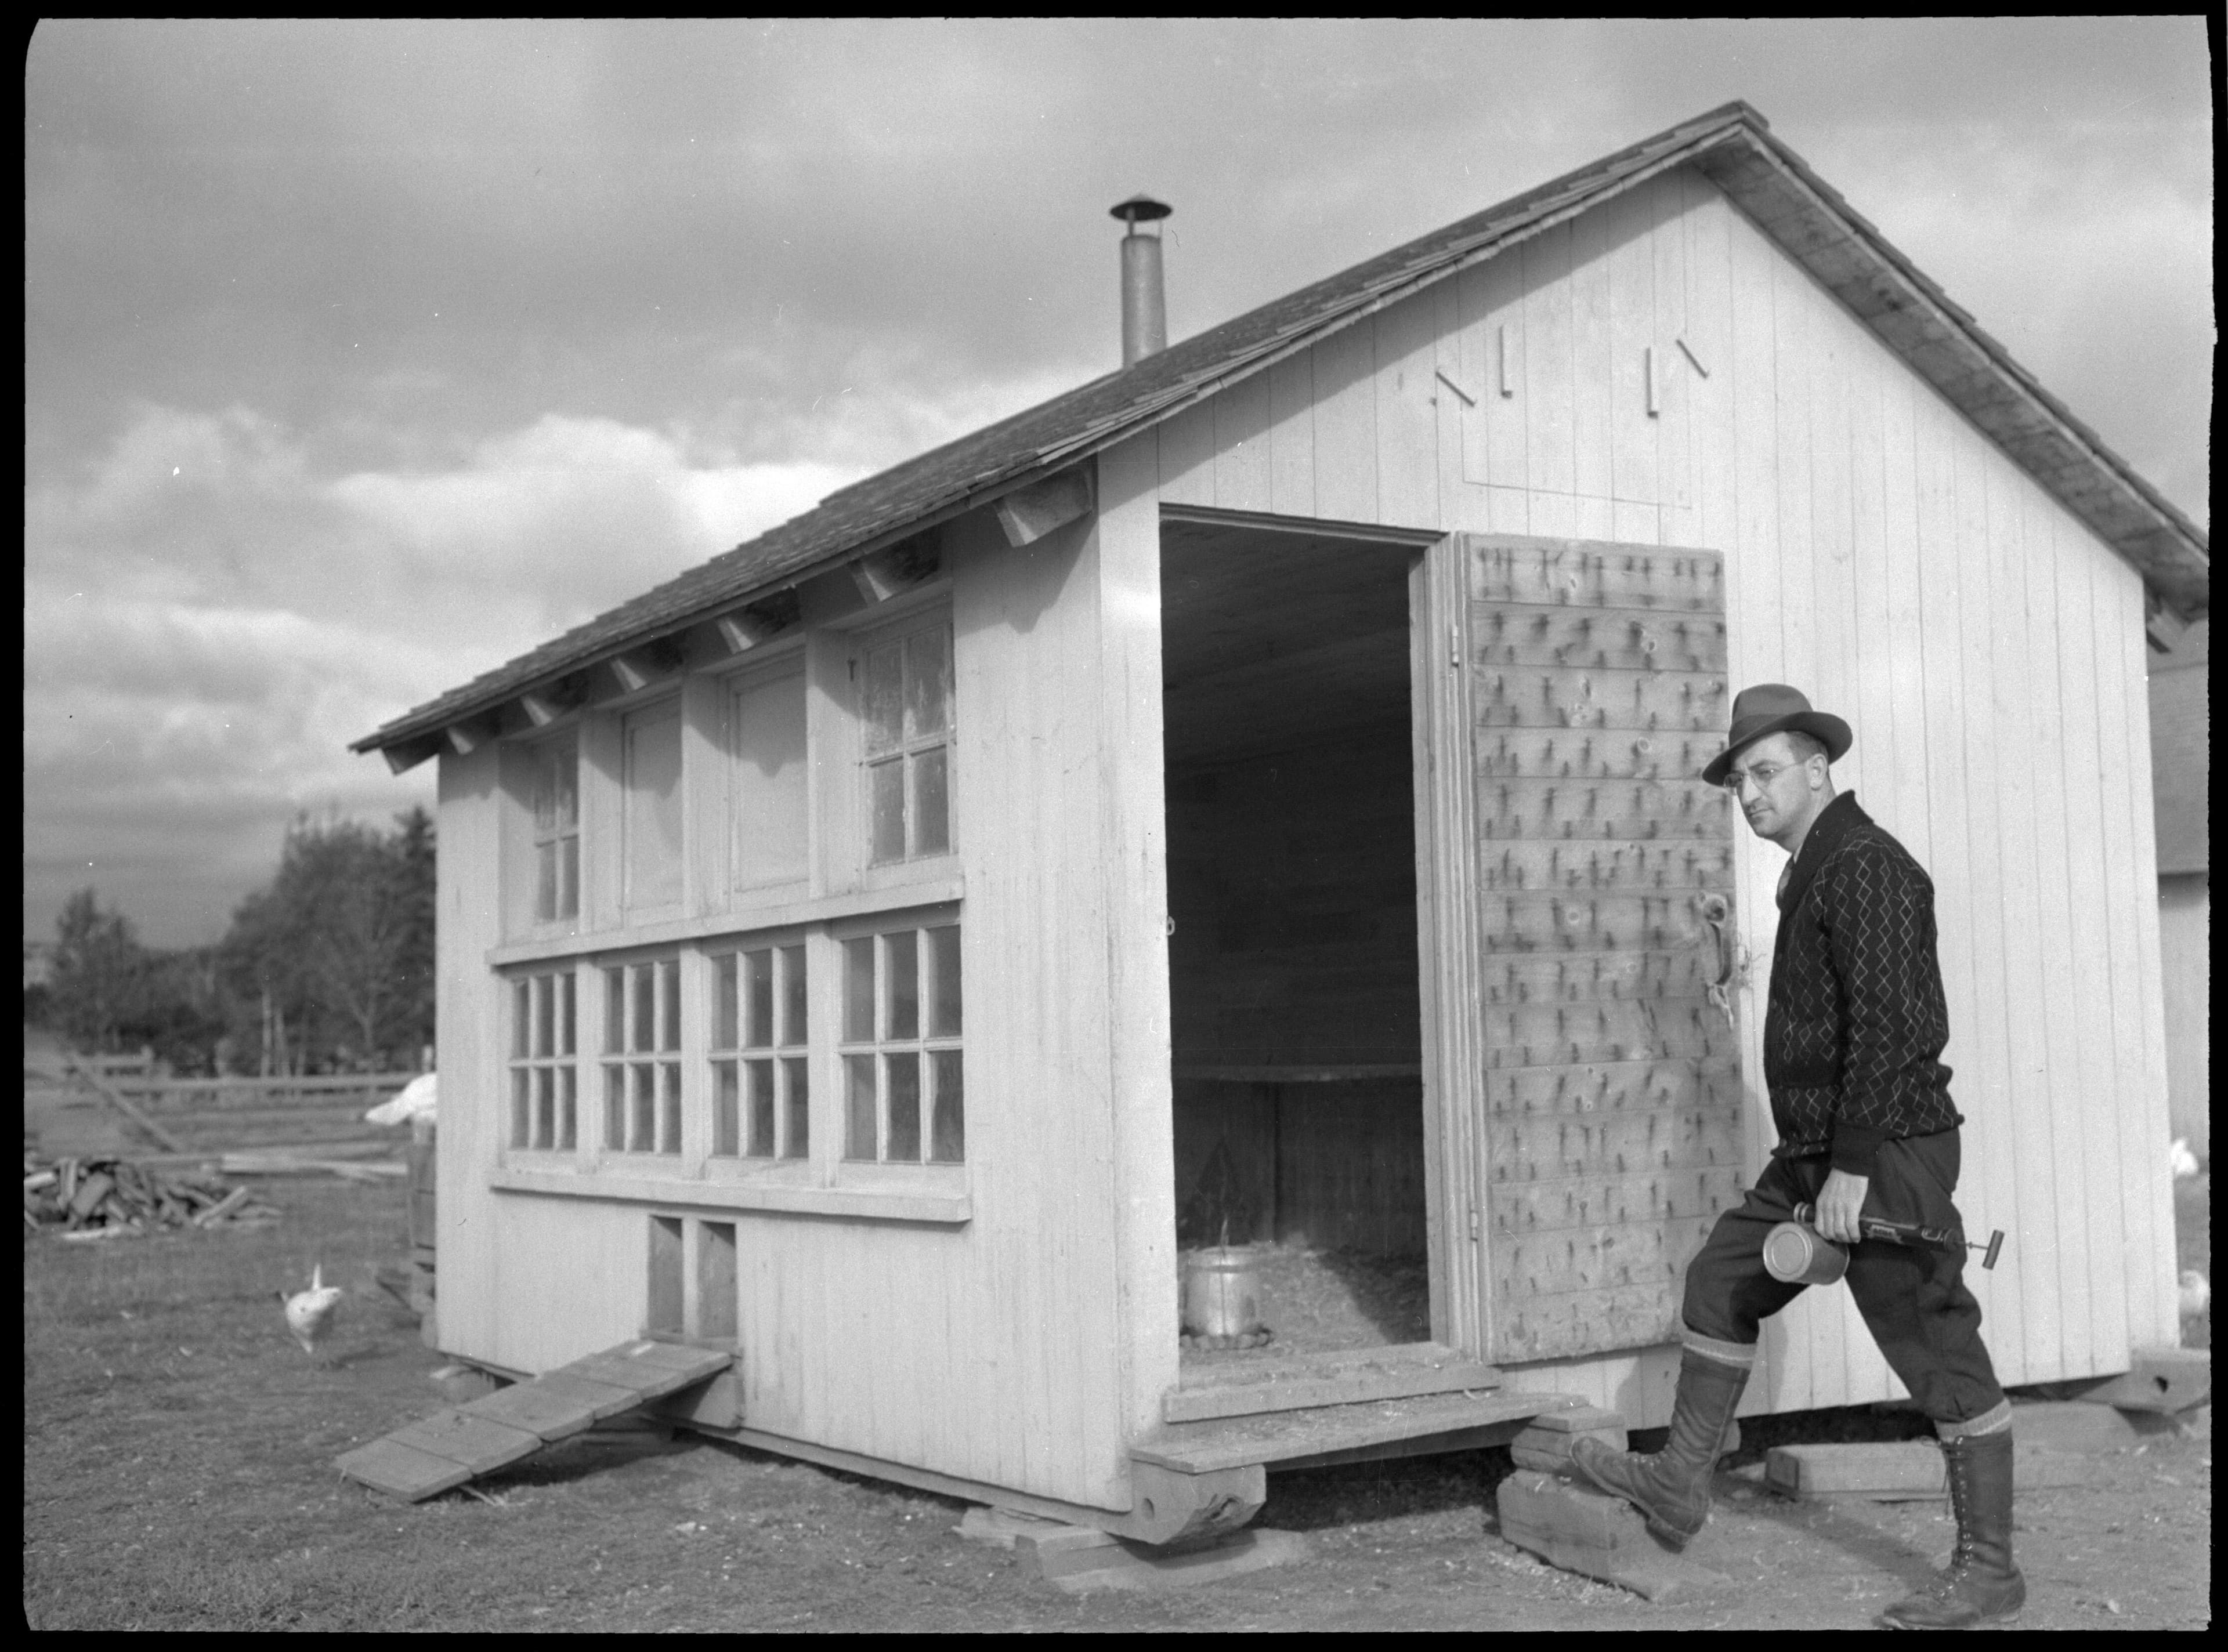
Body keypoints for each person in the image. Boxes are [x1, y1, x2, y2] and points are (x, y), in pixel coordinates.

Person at [1568, 683, 2022, 1631]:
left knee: (1934, 1345)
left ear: (1819, 771)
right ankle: (1678, 1485)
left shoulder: (1867, 865)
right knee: (1722, 1279)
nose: (1750, 792)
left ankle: (1990, 1569)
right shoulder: (1811, 869)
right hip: (1816, 1151)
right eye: (1740, 779)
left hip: (1884, 1146)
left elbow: (1891, 1028)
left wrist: (1856, 1168)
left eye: (1766, 771)